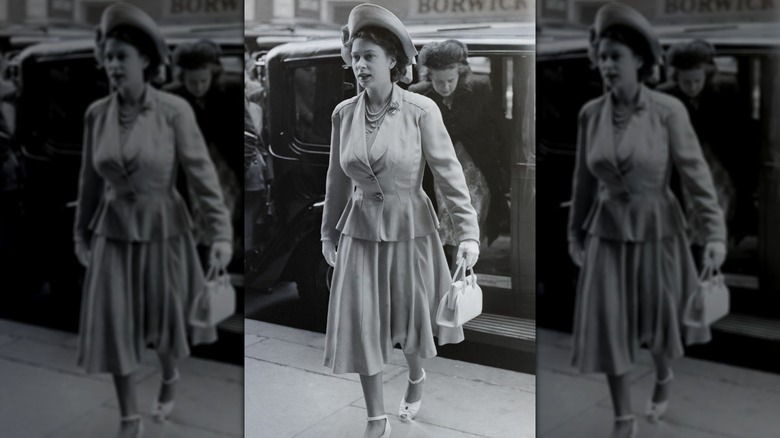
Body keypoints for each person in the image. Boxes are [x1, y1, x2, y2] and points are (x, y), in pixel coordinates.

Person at [567, 4, 727, 437]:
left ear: (639, 59)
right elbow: (583, 181)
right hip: (607, 231)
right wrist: (574, 233)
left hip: (660, 229)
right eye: (601, 56)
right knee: (610, 325)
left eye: (615, 56)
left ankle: (662, 375)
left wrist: (714, 235)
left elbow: (696, 177)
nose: (606, 65)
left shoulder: (668, 110)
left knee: (659, 326)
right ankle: (623, 418)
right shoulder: (590, 114)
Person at [320, 4, 480, 438]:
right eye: (355, 56)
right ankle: (376, 418)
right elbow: (336, 179)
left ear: (392, 60)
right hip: (360, 233)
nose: (359, 65)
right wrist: (328, 233)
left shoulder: (421, 109)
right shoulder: (343, 114)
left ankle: (415, 376)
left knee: (412, 323)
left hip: (412, 230)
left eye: (369, 56)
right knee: (363, 325)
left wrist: (468, 233)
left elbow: (449, 173)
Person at [73, 4, 233, 437]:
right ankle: (129, 418)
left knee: (164, 326)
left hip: (165, 229)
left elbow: (202, 176)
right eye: (107, 56)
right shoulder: (96, 114)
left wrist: (220, 234)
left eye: (121, 56)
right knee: (116, 325)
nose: (112, 65)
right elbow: (89, 180)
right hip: (112, 232)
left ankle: (169, 375)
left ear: (144, 59)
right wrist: (80, 232)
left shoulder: (174, 110)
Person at [409, 39, 510, 259]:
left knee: (465, 226)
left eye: (450, 80)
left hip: (475, 170)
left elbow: (501, 128)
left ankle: (459, 277)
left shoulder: (480, 87)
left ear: (460, 71)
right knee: (439, 227)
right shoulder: (417, 94)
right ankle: (447, 279)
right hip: (435, 173)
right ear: (428, 75)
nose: (445, 87)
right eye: (439, 82)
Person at [658, 39, 755, 251]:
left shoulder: (726, 91)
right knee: (686, 220)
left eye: (697, 80)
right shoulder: (666, 96)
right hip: (683, 167)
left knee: (716, 218)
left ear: (707, 75)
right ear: (676, 78)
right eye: (686, 82)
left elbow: (741, 135)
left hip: (719, 165)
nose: (692, 87)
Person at [165, 39, 242, 254]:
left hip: (225, 164)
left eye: (203, 81)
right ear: (182, 78)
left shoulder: (232, 91)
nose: (198, 87)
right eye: (192, 82)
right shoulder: (172, 96)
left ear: (212, 74)